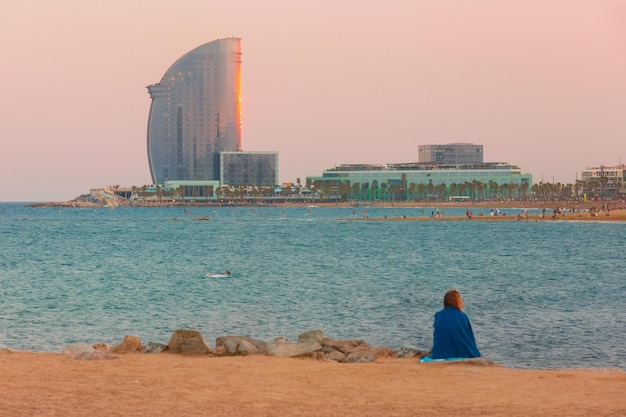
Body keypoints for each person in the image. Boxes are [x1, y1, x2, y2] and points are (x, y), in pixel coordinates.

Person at [430, 289, 481, 360]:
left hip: (438, 353)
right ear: (457, 301)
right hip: (456, 353)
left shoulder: (438, 315)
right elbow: (469, 337)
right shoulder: (462, 316)